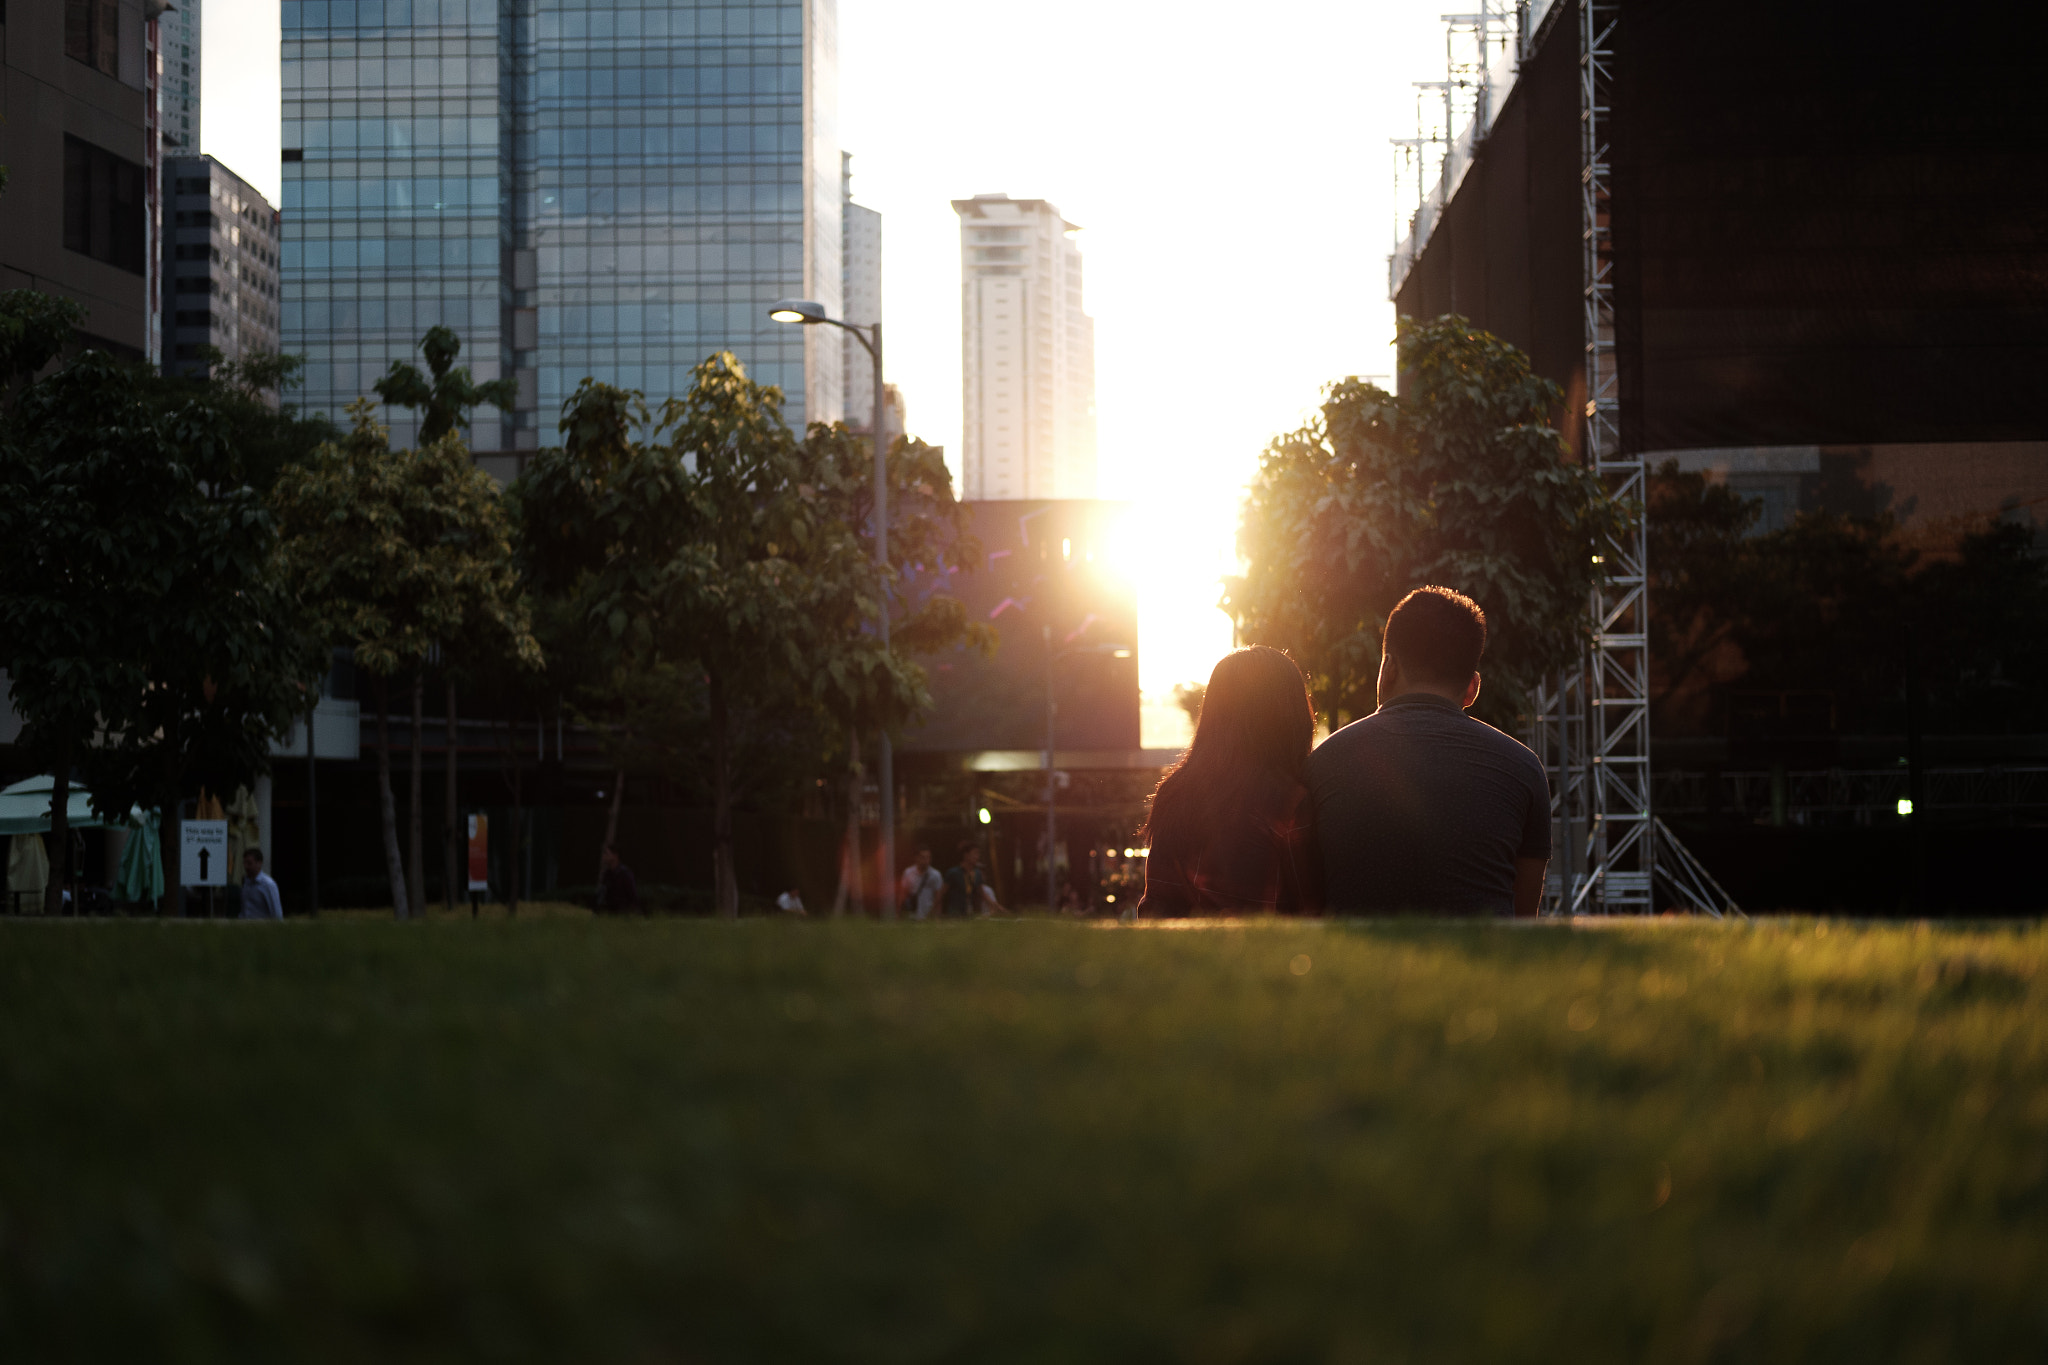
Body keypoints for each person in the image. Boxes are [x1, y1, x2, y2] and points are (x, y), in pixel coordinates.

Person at [1306, 586, 1549, 916]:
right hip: (1482, 966)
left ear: (1388, 668)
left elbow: (1306, 905)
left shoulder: (1322, 763)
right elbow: (1523, 920)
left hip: (1356, 967)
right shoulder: (1524, 769)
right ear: (1472, 687)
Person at [1137, 646, 1321, 917]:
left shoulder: (1175, 793)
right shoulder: (1290, 804)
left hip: (1182, 956)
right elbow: (1315, 914)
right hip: (1273, 957)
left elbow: (1155, 907)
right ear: (1291, 715)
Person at [941, 843, 1004, 917]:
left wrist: (998, 907)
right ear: (966, 855)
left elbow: (983, 894)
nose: (977, 857)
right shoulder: (953, 873)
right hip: (955, 913)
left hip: (970, 912)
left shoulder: (977, 873)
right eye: (975, 853)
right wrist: (933, 911)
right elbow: (942, 893)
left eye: (978, 854)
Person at [899, 846, 943, 920]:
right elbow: (903, 893)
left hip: (928, 914)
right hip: (912, 913)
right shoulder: (908, 872)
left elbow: (938, 897)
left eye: (928, 857)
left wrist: (937, 915)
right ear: (916, 858)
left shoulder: (935, 875)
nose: (926, 860)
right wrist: (899, 912)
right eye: (923, 857)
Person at [238, 848, 283, 920]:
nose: (246, 867)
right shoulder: (246, 882)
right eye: (244, 863)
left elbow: (276, 913)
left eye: (249, 863)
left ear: (259, 863)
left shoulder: (268, 884)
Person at [599, 843, 640, 913]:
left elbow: (633, 896)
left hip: (623, 913)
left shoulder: (624, 873)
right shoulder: (607, 874)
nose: (604, 857)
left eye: (606, 854)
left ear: (615, 856)